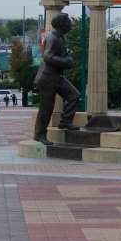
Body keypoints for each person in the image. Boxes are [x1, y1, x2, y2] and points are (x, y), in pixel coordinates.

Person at [32, 13, 81, 145]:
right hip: (48, 78)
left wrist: (65, 57)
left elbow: (57, 54)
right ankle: (39, 134)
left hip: (56, 76)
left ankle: (65, 122)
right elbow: (48, 56)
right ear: (61, 24)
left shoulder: (59, 37)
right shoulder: (53, 37)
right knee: (46, 108)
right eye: (68, 22)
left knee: (74, 95)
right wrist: (65, 61)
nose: (70, 25)